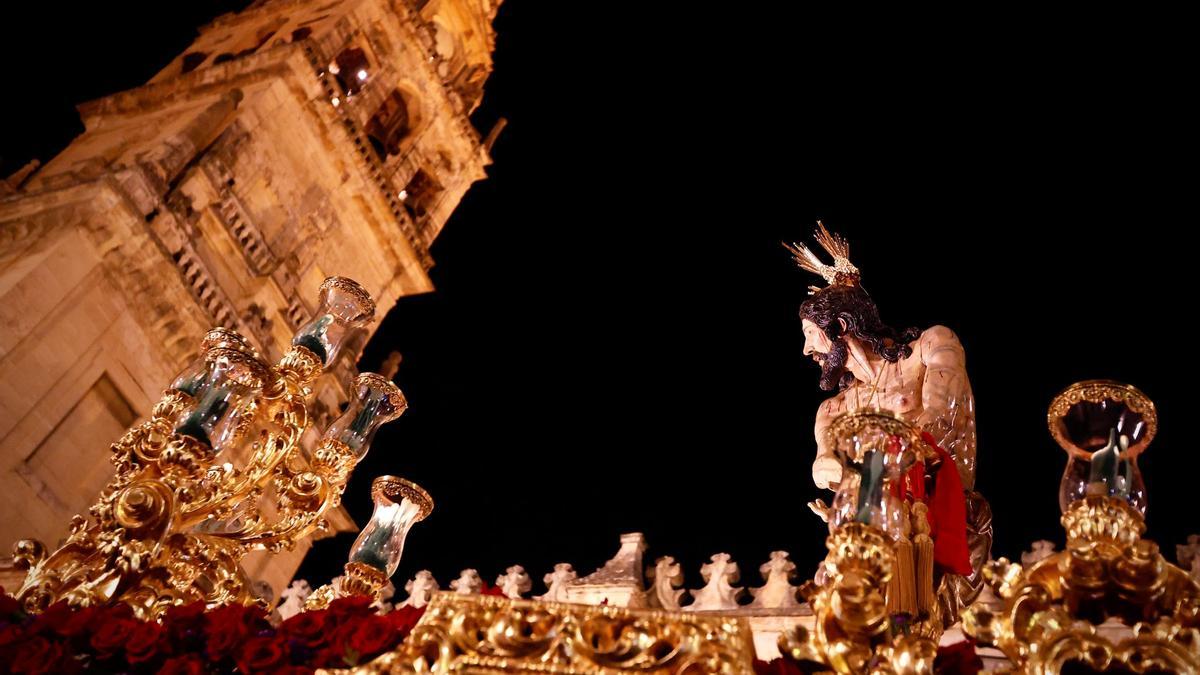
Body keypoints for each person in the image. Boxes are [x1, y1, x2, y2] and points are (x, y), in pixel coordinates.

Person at [787, 222, 991, 621]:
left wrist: (874, 459)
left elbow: (941, 418)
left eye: (811, 334)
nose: (807, 348)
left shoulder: (931, 346)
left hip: (942, 519)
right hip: (872, 538)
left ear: (842, 326)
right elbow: (824, 467)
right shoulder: (833, 409)